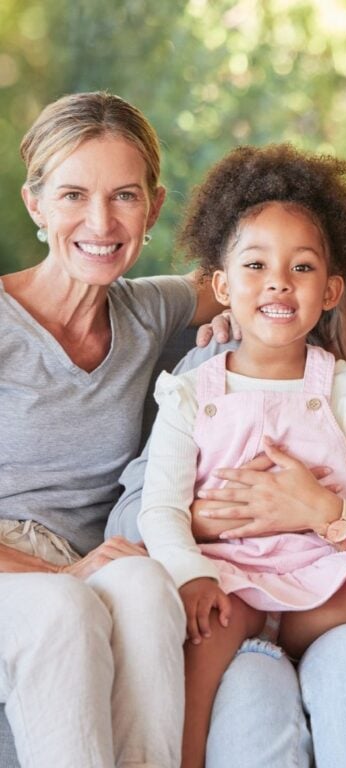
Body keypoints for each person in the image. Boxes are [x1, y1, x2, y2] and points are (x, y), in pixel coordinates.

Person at [108, 152, 346, 768]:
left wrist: (325, 514)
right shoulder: (220, 362)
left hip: (339, 591)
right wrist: (228, 520)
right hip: (230, 584)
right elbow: (134, 516)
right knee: (220, 665)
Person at [0, 91, 222, 767]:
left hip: (92, 561)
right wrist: (55, 574)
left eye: (124, 196)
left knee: (148, 585)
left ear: (152, 207)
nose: (100, 221)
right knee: (65, 610)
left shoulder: (148, 310)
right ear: (35, 204)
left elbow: (255, 276)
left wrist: (238, 321)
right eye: (72, 195)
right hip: (16, 568)